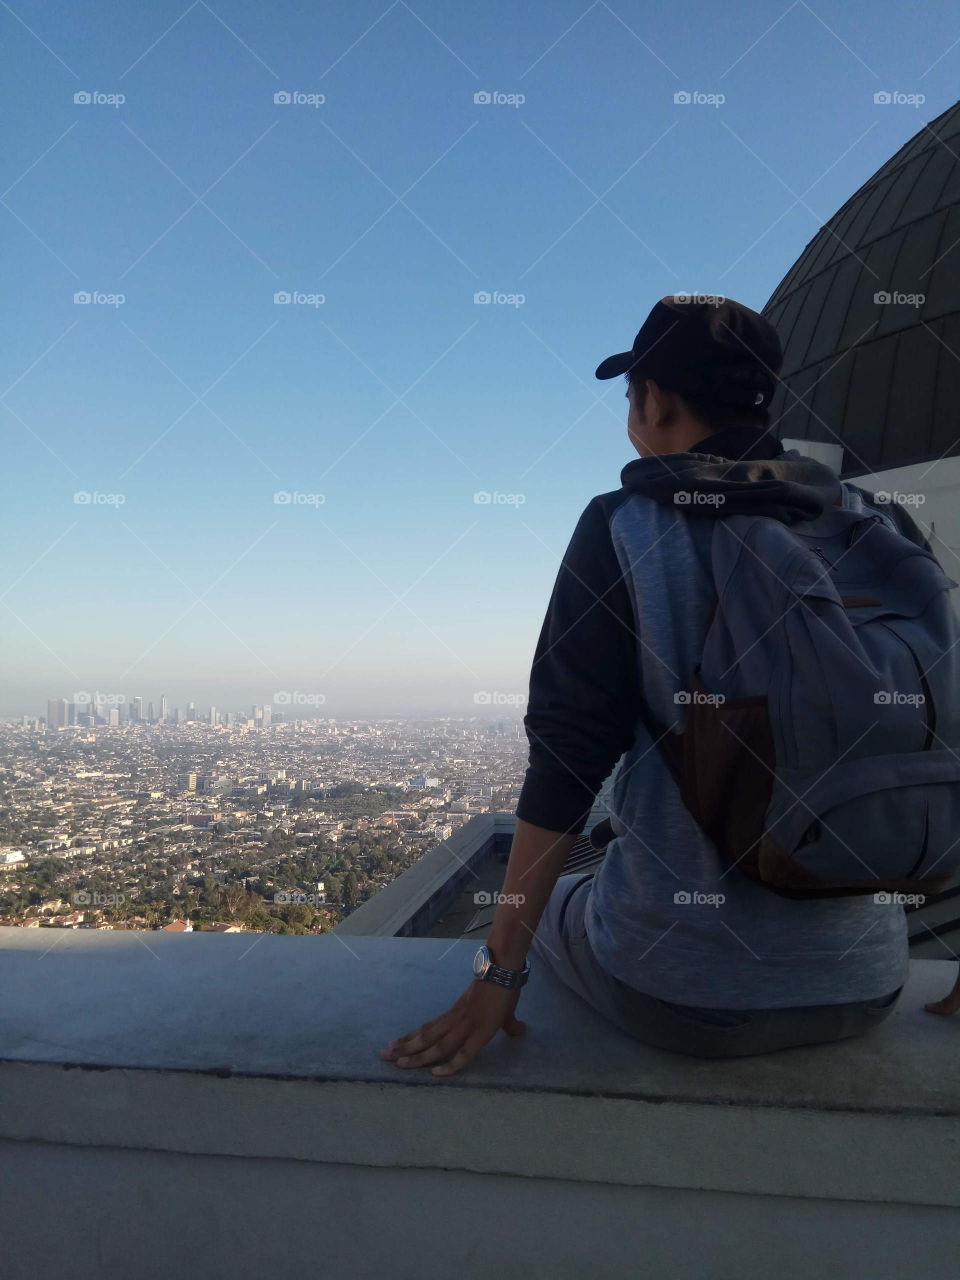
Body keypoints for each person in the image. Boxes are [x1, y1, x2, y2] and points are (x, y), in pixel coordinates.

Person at [382, 294, 919, 1078]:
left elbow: (568, 756)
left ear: (654, 401)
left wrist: (497, 975)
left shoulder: (624, 525)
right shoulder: (880, 524)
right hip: (869, 981)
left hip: (683, 995)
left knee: (565, 894)